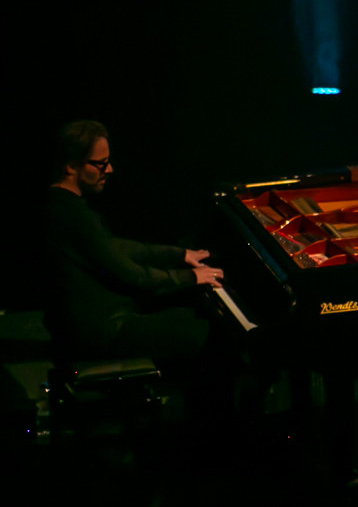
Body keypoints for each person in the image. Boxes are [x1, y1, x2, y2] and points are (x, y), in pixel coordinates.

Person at [43, 119, 235, 414]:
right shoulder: (73, 216)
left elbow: (116, 247)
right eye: (101, 163)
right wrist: (190, 277)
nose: (110, 170)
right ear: (71, 166)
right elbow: (131, 275)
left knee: (194, 317)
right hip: (101, 332)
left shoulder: (61, 204)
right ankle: (210, 427)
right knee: (211, 335)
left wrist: (179, 254)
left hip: (95, 320)